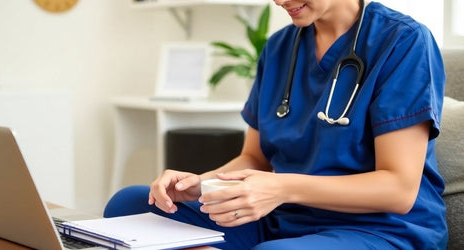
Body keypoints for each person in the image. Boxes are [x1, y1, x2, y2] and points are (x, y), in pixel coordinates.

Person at [104, 0, 448, 249]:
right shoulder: (281, 46)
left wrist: (280, 188)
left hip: (376, 228)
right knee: (130, 206)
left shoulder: (403, 41)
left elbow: (399, 190)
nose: (280, 1)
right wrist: (200, 184)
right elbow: (254, 159)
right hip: (281, 217)